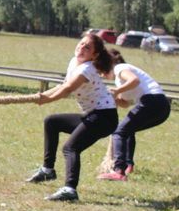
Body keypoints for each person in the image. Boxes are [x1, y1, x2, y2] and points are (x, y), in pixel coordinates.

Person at [27, 33, 118, 201]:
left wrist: (46, 100)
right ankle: (48, 170)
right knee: (52, 122)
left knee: (71, 148)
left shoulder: (87, 69)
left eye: (87, 47)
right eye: (81, 44)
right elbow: (63, 85)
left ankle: (70, 189)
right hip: (93, 115)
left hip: (104, 118)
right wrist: (43, 95)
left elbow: (68, 88)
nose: (81, 48)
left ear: (94, 55)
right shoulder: (74, 62)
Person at [97, 49, 171, 181]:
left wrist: (117, 90)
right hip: (161, 106)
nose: (101, 74)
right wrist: (114, 97)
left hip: (152, 101)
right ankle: (128, 165)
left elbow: (134, 80)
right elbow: (125, 103)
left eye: (102, 70)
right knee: (128, 129)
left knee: (119, 132)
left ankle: (118, 171)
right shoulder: (120, 80)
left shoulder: (120, 68)